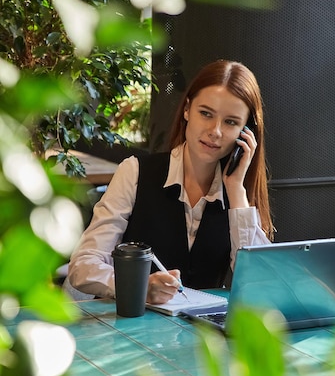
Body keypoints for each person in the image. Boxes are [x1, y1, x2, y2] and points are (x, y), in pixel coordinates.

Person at [67, 59, 275, 304]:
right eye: (206, 114)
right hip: (131, 327)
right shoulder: (136, 172)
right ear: (187, 110)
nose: (215, 131)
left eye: (230, 122)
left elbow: (261, 286)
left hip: (200, 333)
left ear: (246, 133)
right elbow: (82, 266)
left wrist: (237, 193)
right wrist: (138, 286)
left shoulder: (238, 193)